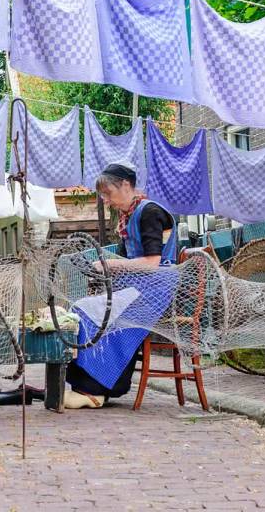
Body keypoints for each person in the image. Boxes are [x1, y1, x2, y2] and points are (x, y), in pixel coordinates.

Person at [64, 163, 177, 409]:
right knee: (81, 307)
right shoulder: (130, 217)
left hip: (154, 291)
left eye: (108, 194)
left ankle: (94, 390)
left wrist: (111, 265)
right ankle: (88, 386)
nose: (106, 200)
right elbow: (129, 261)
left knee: (86, 310)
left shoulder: (150, 212)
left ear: (126, 185)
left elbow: (152, 262)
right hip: (139, 289)